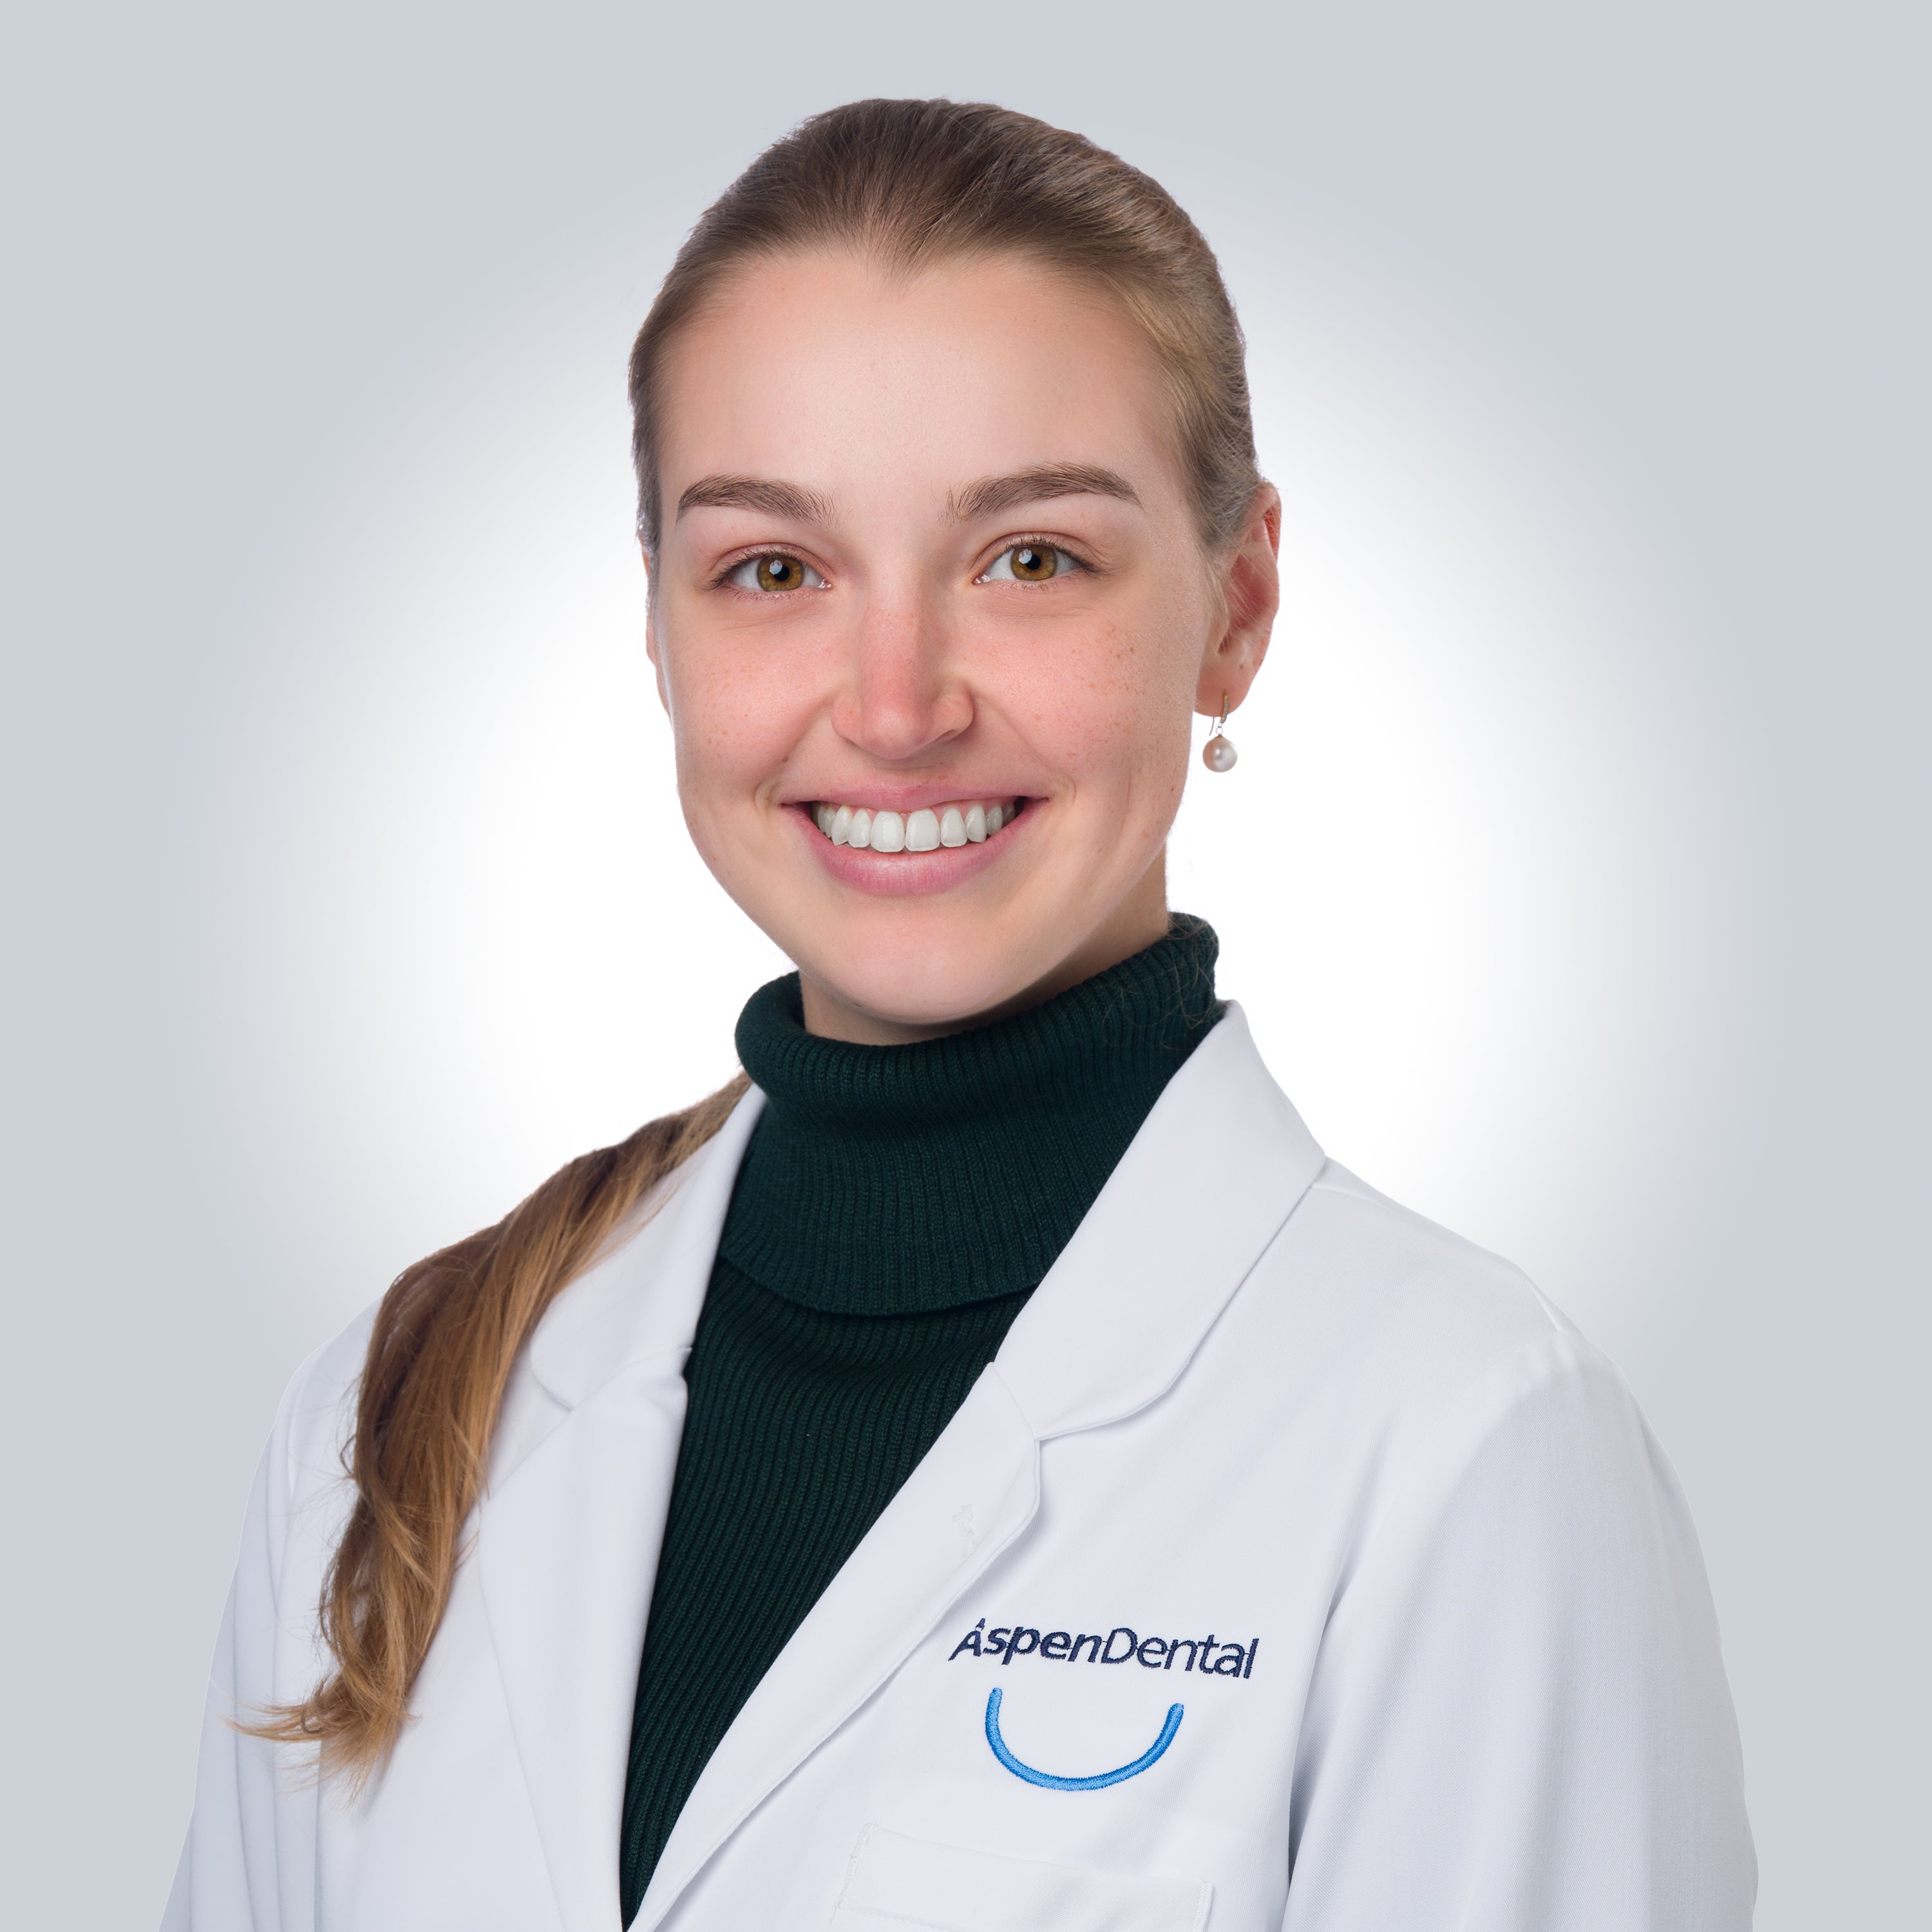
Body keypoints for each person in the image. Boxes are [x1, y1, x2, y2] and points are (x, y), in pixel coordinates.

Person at [163, 99, 1754, 1932]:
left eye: (1031, 559)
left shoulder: (1468, 1448)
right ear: (662, 630)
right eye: (775, 570)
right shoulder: (390, 1417)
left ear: (1236, 610)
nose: (898, 706)